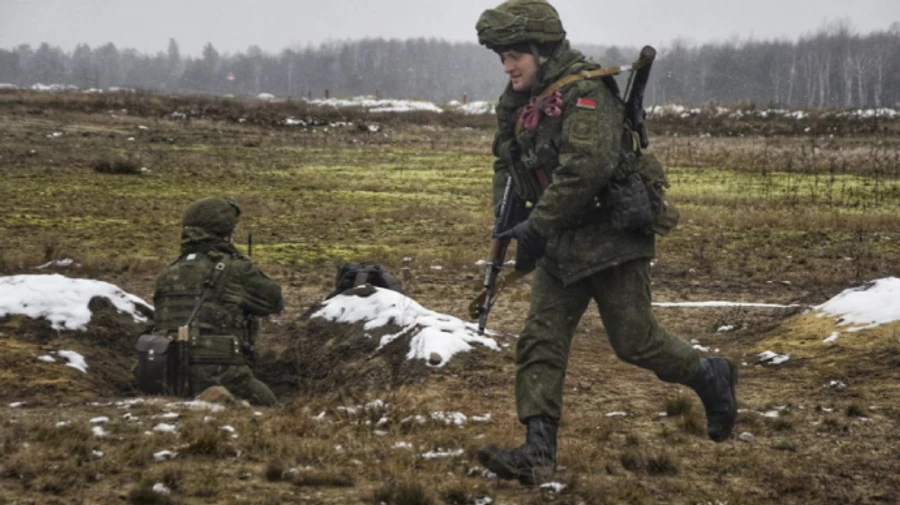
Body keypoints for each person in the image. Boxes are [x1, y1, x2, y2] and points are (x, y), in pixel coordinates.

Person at [473, 0, 737, 485]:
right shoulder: (518, 102)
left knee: (635, 342)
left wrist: (537, 226)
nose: (508, 66)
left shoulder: (585, 93)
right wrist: (507, 216)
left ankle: (709, 375)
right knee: (540, 341)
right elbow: (504, 162)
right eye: (502, 58)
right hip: (561, 244)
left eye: (515, 56)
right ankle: (538, 452)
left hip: (611, 238)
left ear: (543, 51)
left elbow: (586, 170)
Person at [152, 197, 284, 406]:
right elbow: (274, 301)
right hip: (220, 373)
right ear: (225, 232)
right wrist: (241, 260)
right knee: (272, 411)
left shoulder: (168, 271)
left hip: (165, 371)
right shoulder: (234, 269)